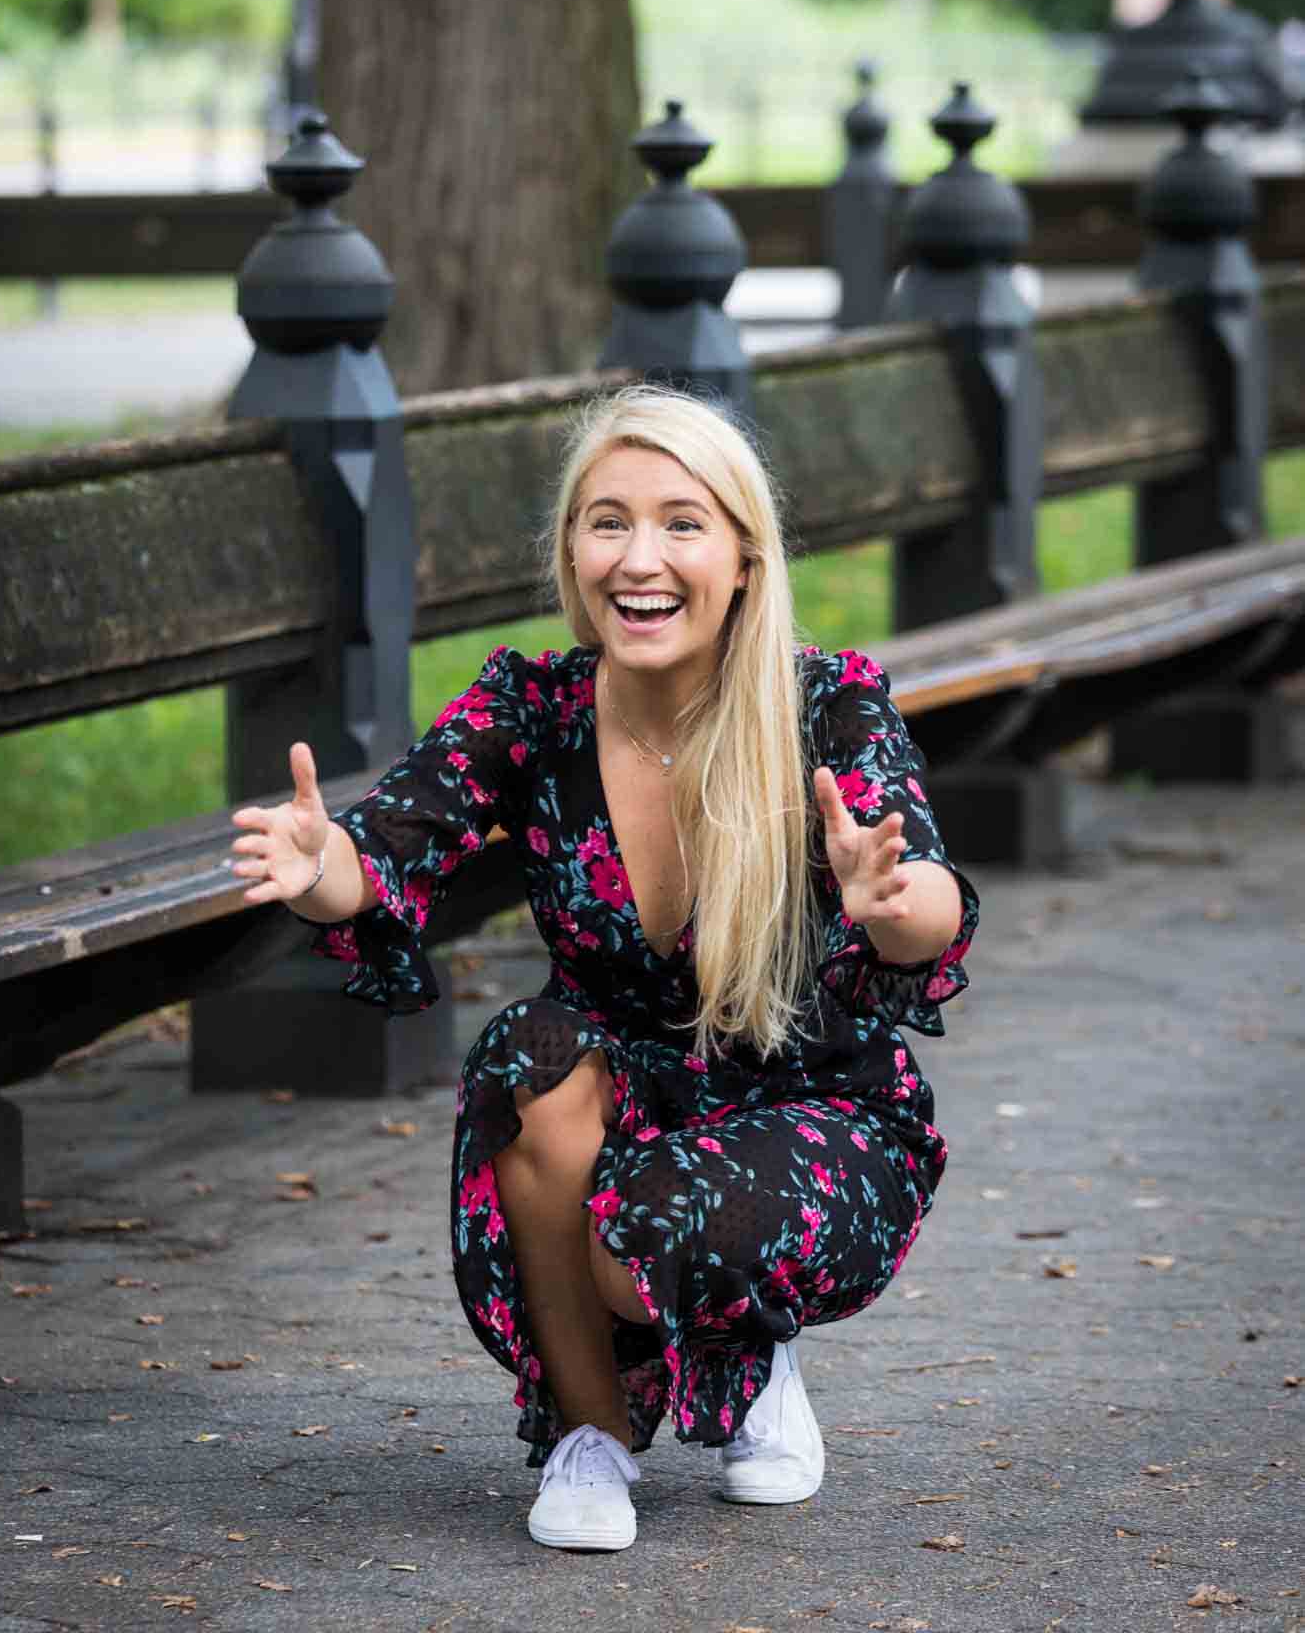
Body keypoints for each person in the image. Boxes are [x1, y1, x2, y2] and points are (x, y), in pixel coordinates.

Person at [230, 384, 977, 1554]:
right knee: (526, 1054)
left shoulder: (823, 703)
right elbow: (381, 859)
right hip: (613, 1090)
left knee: (647, 1240)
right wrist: (319, 858)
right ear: (571, 549)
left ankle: (742, 1347)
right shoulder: (530, 707)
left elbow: (922, 895)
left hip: (812, 1103)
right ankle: (591, 1435)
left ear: (741, 555)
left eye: (682, 522)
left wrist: (888, 903)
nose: (641, 557)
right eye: (606, 519)